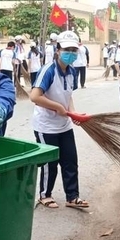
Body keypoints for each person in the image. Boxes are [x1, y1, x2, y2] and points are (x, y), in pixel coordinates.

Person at [29, 30, 89, 209]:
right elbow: (34, 96)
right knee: (50, 163)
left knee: (70, 160)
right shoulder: (48, 70)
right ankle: (44, 195)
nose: (70, 53)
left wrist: (72, 112)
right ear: (57, 50)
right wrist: (57, 108)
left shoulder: (72, 72)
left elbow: (68, 95)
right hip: (45, 125)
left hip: (64, 125)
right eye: (66, 49)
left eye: (73, 50)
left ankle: (72, 197)